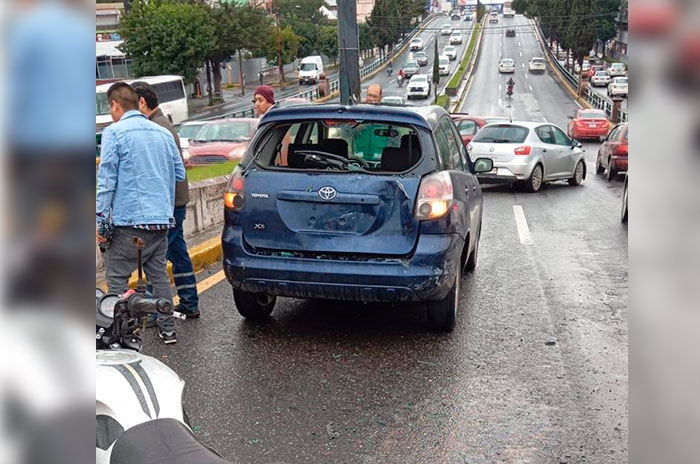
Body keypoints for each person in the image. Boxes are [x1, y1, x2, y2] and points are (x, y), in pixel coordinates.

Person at [96, 82, 185, 345]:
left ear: (115, 105)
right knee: (159, 278)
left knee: (117, 284)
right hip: (161, 222)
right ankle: (168, 330)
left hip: (128, 224)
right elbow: (179, 174)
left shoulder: (115, 133)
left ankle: (122, 336)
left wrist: (100, 225)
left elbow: (106, 182)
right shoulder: (164, 134)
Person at [131, 81, 200, 318]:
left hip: (169, 204)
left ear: (142, 102)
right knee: (176, 251)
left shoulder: (157, 128)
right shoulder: (162, 124)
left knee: (155, 257)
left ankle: (154, 310)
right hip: (175, 201)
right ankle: (189, 301)